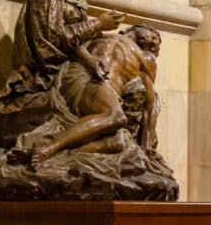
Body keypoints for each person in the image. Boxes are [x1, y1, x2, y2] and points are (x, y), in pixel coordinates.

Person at [18, 25, 162, 167]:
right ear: (133, 29)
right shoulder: (100, 35)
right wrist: (90, 61)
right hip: (83, 76)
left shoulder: (146, 58)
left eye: (156, 45)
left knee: (117, 142)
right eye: (153, 34)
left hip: (103, 90)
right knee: (116, 116)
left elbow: (151, 104)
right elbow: (74, 46)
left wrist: (147, 147)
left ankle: (59, 154)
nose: (154, 41)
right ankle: (47, 149)